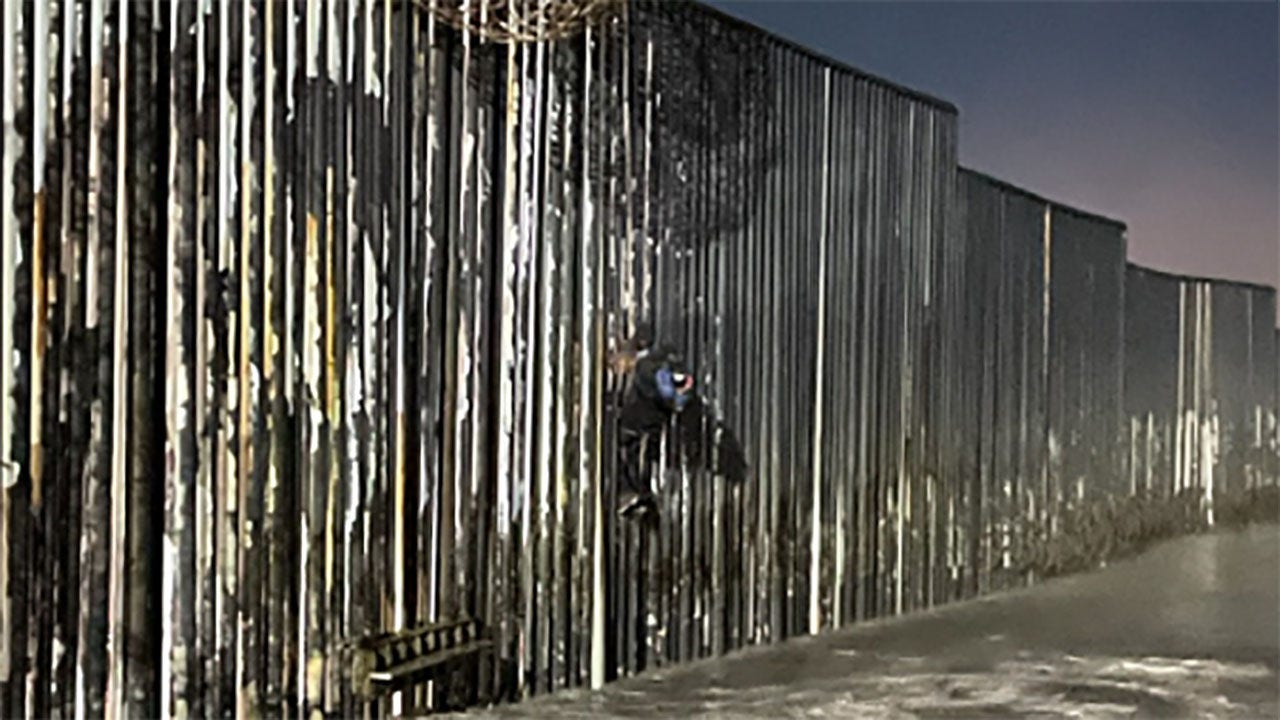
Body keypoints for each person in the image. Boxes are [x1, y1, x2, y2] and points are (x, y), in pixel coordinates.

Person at [612, 323, 748, 519]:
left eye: (616, 357)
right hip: (668, 432)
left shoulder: (646, 368)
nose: (616, 366)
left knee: (632, 454)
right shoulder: (660, 362)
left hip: (657, 433)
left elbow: (673, 394)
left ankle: (637, 497)